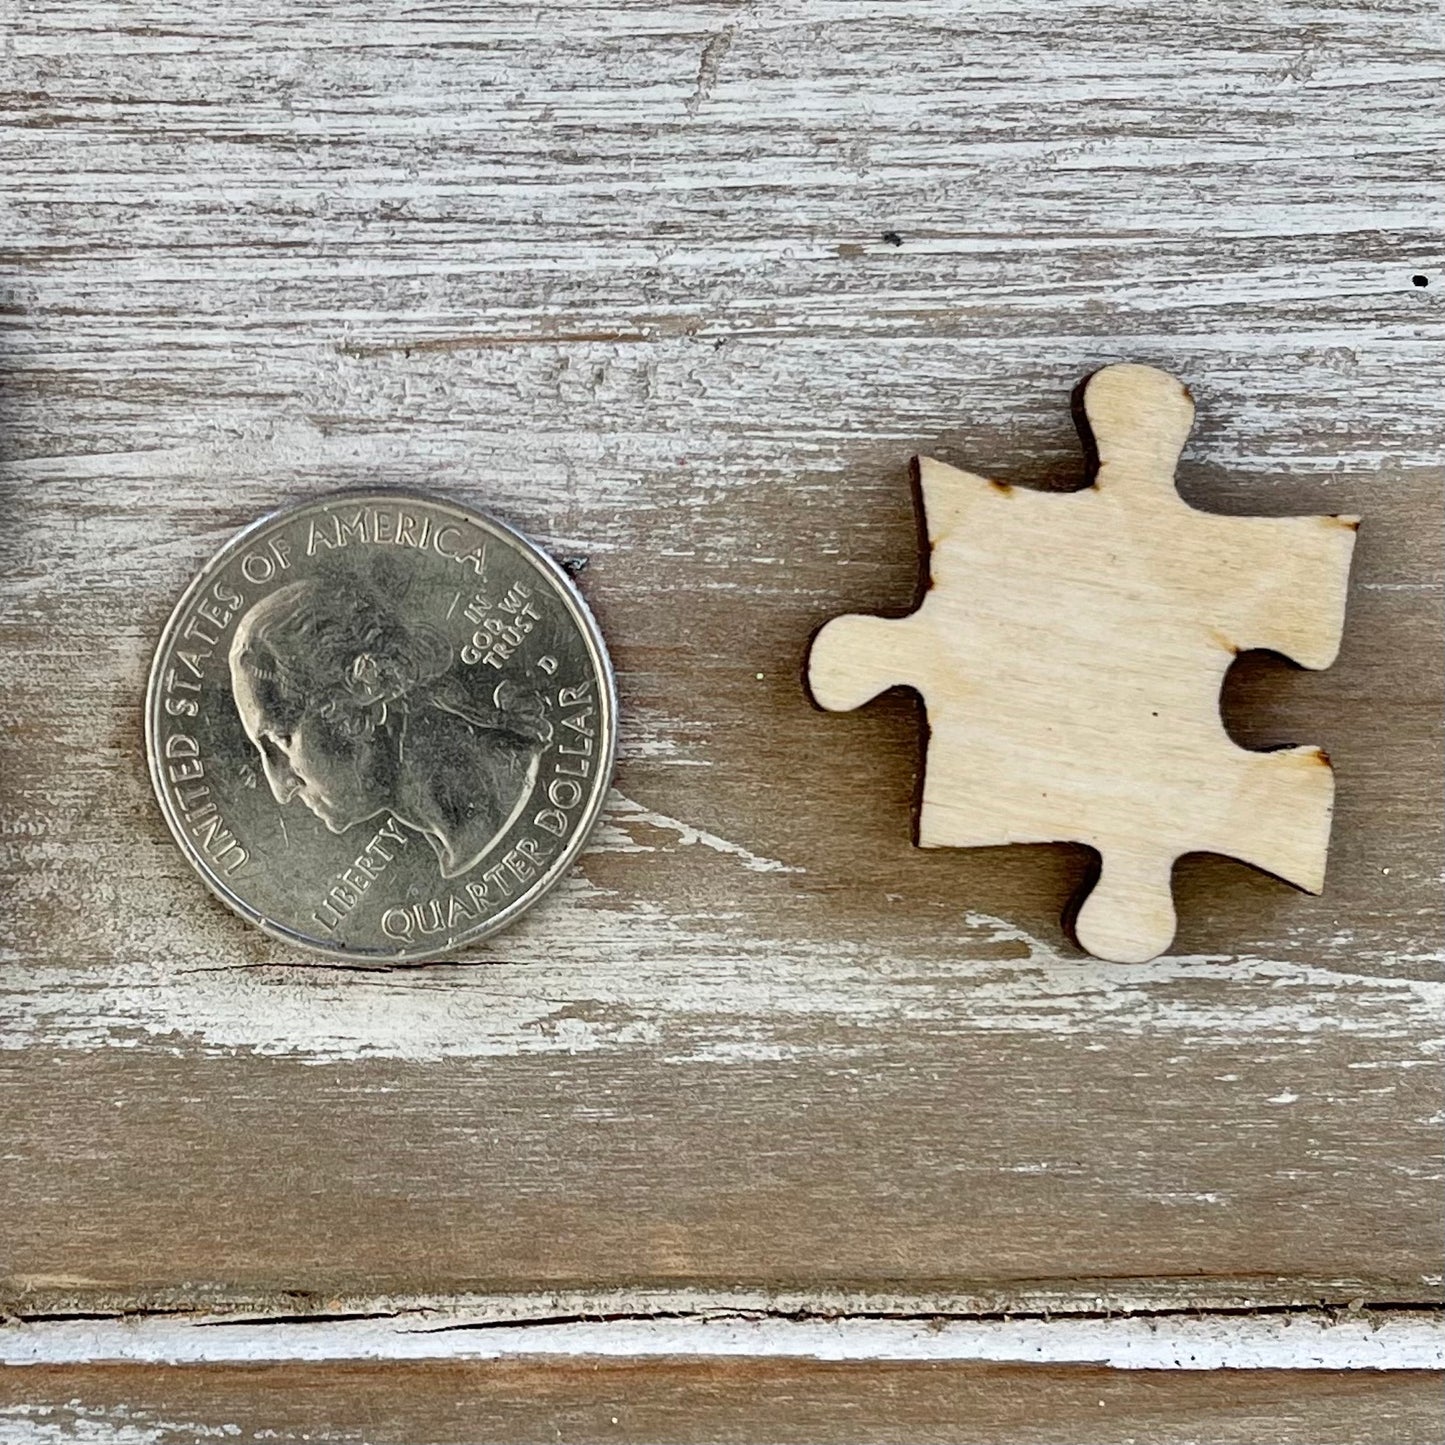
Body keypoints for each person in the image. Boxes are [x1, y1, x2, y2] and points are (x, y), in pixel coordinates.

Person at [229, 576, 549, 879]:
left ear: (360, 699)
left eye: (281, 740)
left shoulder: (514, 791)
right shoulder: (471, 839)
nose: (281, 787)